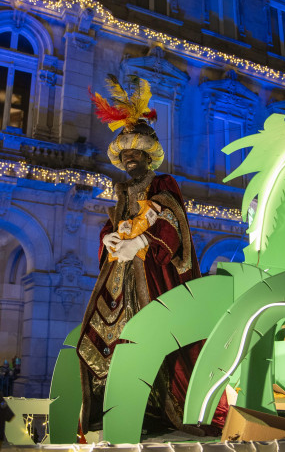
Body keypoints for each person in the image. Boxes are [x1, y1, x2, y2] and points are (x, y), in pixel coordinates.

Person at [78, 75, 228, 434]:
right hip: (119, 277)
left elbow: (172, 219)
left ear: (147, 156)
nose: (129, 160)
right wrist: (110, 239)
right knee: (106, 337)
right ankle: (120, 408)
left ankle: (158, 410)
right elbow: (115, 222)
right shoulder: (123, 191)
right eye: (124, 155)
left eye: (135, 154)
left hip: (152, 275)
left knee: (155, 336)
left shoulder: (163, 185)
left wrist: (142, 244)